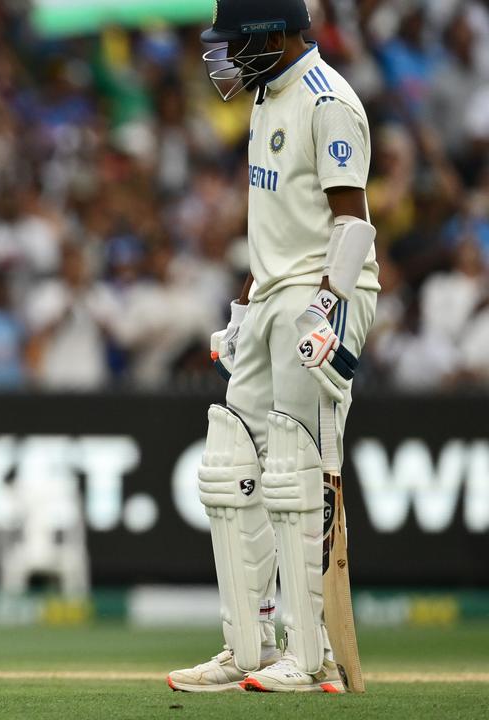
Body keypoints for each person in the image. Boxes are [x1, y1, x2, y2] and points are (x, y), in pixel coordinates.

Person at [168, 0, 378, 693]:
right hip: (271, 295)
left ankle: (308, 651)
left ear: (278, 35)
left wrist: (326, 308)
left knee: (295, 468)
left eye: (239, 42)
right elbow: (278, 223)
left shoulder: (329, 103)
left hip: (321, 293)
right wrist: (246, 303)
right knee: (233, 466)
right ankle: (247, 646)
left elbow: (352, 227)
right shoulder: (266, 99)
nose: (228, 56)